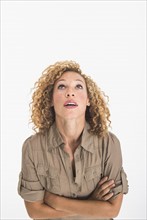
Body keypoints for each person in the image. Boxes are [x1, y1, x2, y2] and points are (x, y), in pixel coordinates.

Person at [18, 60, 128, 220]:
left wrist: (55, 201)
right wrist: (92, 204)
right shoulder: (32, 147)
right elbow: (35, 212)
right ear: (50, 99)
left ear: (88, 100)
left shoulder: (109, 143)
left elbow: (112, 210)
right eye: (62, 86)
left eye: (78, 86)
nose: (70, 93)